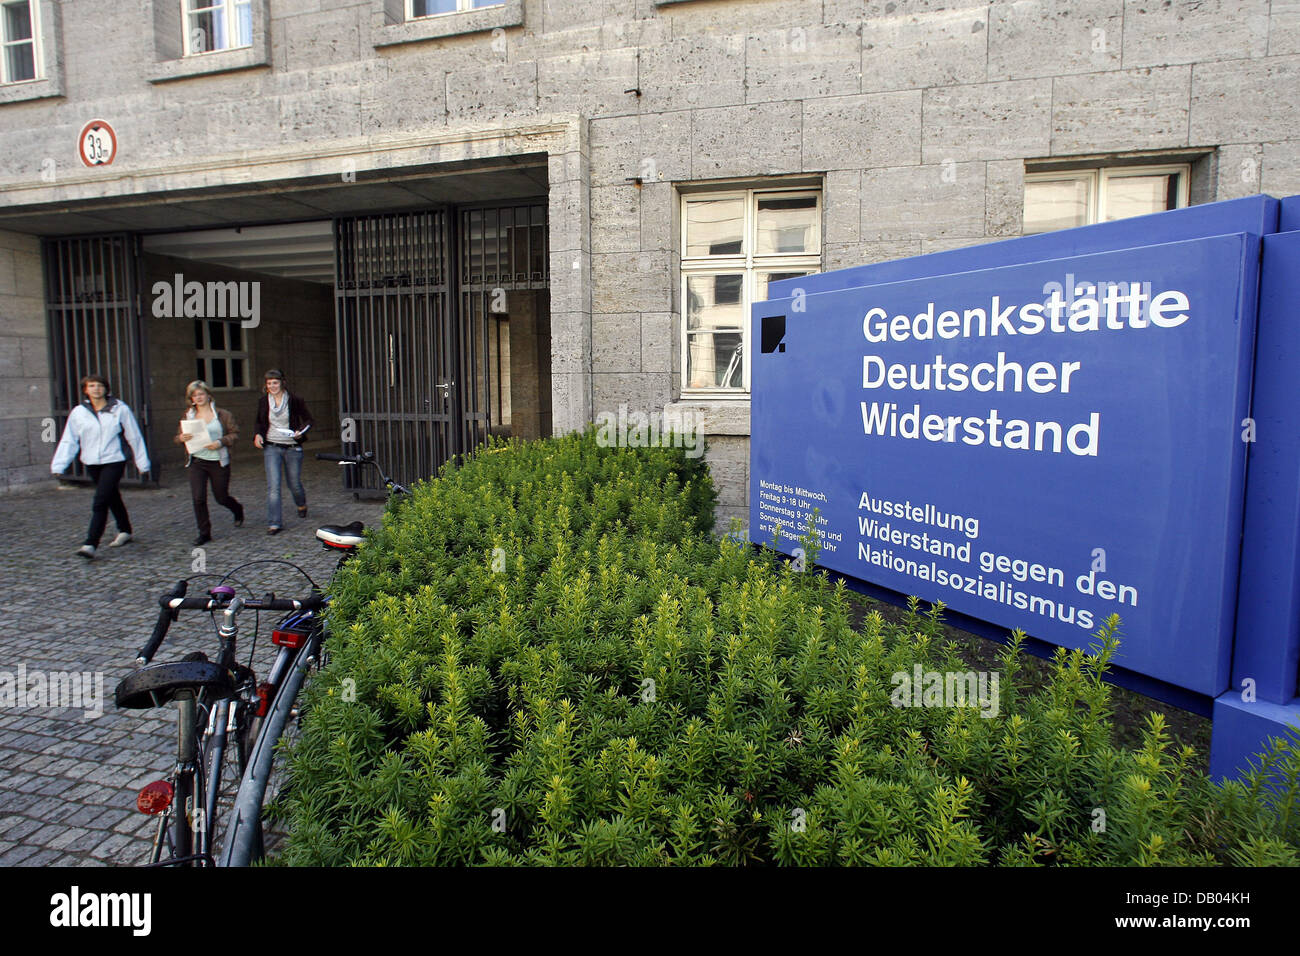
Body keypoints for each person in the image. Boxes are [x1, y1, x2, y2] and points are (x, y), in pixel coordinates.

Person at [50, 374, 152, 559]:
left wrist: (142, 463)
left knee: (100, 500)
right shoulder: (78, 412)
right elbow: (69, 439)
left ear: (106, 389)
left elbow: (134, 436)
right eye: (92, 386)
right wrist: (59, 464)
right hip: (91, 462)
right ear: (85, 390)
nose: (96, 389)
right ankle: (125, 529)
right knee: (111, 496)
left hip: (114, 460)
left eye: (99, 385)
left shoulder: (119, 408)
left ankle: (90, 543)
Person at [175, 380, 244, 546]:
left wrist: (220, 442)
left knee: (221, 497)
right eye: (194, 395)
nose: (198, 397)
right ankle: (204, 532)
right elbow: (177, 437)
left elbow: (235, 433)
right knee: (198, 498)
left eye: (201, 394)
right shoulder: (188, 416)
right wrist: (181, 438)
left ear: (208, 395)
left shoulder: (222, 414)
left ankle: (237, 509)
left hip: (217, 461)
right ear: (191, 399)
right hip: (197, 461)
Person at [253, 369, 314, 535]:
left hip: (292, 446)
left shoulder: (295, 400)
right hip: (272, 446)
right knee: (274, 486)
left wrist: (300, 431)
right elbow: (259, 422)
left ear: (282, 383)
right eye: (269, 383)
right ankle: (274, 523)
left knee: (294, 483)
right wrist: (258, 434)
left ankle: (301, 504)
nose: (272, 386)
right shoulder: (263, 401)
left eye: (275, 382)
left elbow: (309, 420)